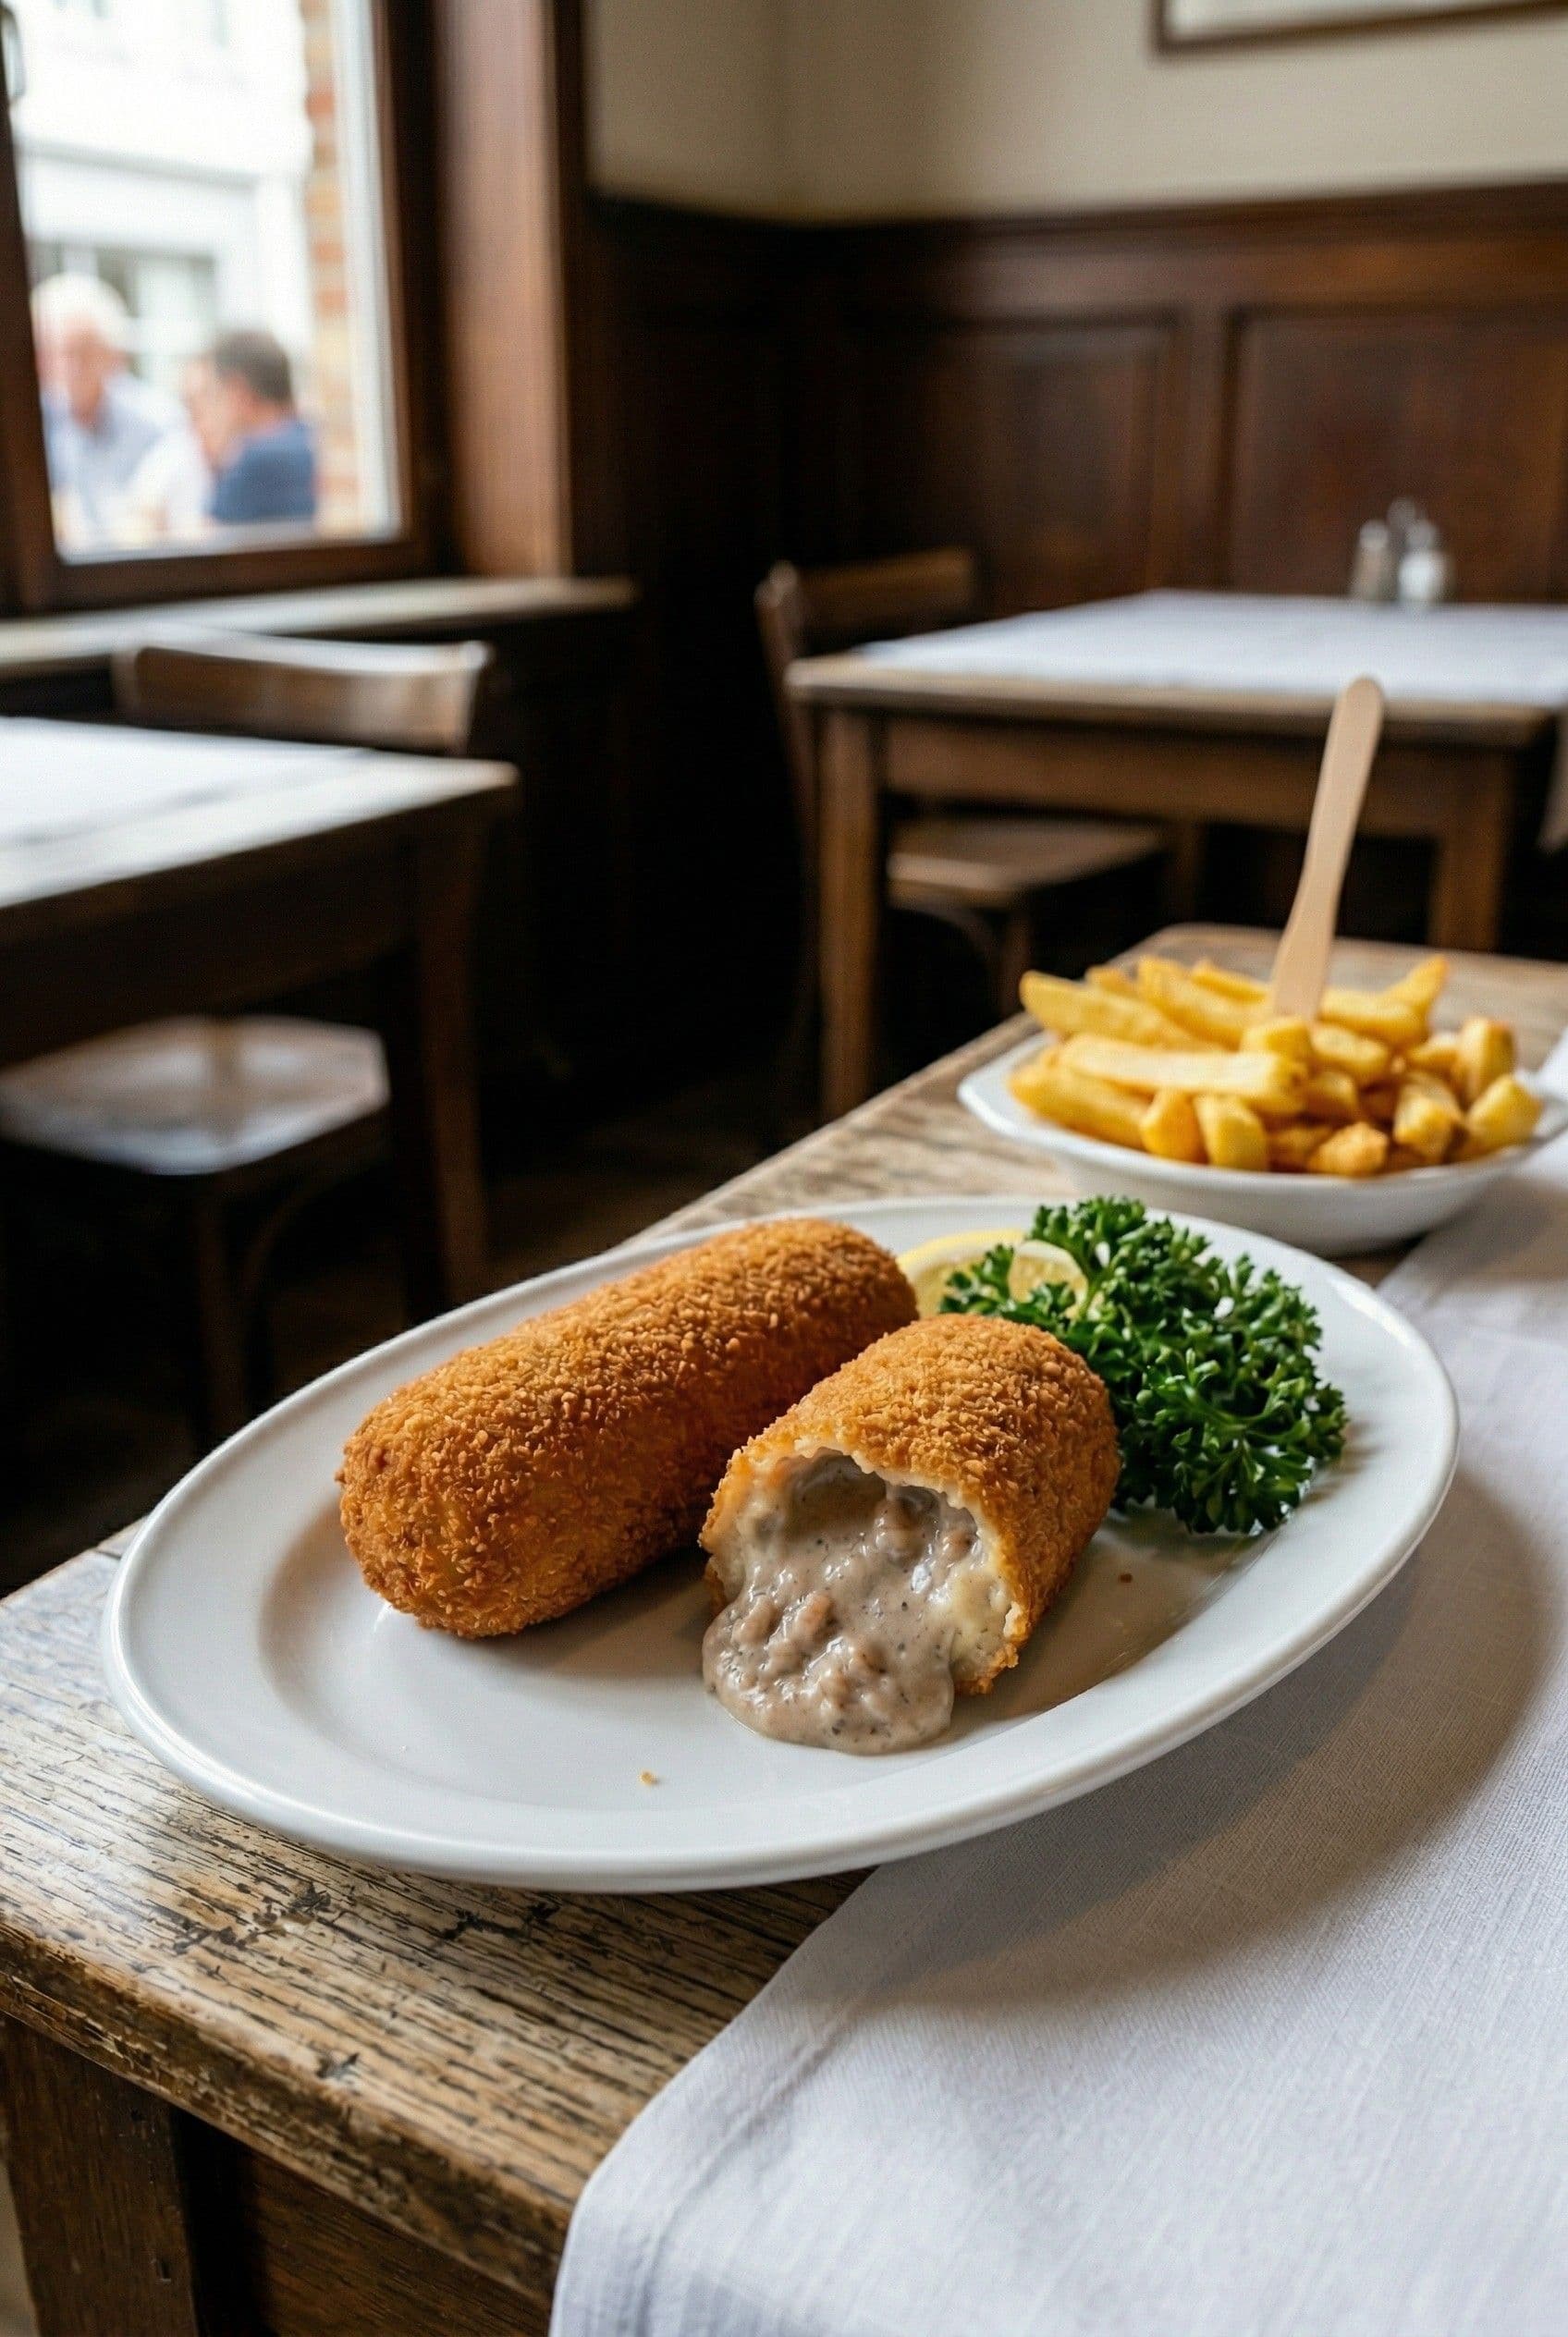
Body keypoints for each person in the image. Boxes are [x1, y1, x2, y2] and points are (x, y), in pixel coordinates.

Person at [31, 274, 184, 548]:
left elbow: (154, 522)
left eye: (84, 352)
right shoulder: (34, 422)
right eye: (58, 353)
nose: (70, 367)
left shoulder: (157, 420)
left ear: (113, 355)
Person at [205, 330, 318, 527]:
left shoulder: (256, 459)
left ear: (237, 391)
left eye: (216, 394)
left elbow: (208, 536)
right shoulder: (304, 437)